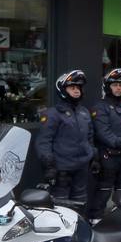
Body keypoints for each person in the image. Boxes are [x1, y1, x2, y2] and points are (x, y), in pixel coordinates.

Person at [37, 69, 95, 206]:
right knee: (61, 206)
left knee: (80, 203)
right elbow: (44, 142)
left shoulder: (84, 112)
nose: (76, 91)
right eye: (72, 88)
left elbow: (90, 137)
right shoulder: (53, 114)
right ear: (63, 90)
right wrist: (49, 166)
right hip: (62, 170)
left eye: (78, 88)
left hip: (82, 167)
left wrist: (94, 156)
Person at [88, 68, 121, 218]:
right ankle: (95, 219)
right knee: (104, 190)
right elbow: (102, 132)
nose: (118, 88)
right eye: (115, 85)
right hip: (108, 156)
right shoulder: (100, 107)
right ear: (108, 86)